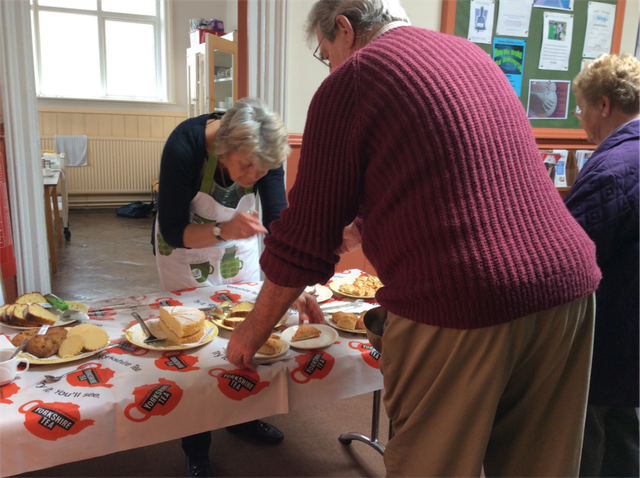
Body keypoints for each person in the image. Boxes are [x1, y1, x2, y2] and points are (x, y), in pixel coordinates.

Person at [226, 1, 602, 477]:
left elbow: (301, 238)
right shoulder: (470, 55)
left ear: (344, 28)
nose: (331, 66)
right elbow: (447, 184)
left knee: (432, 463)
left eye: (325, 54)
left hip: (466, 300)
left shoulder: (356, 78)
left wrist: (251, 333)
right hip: (567, 286)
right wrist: (354, 232)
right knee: (540, 466)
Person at [155, 97, 322, 478]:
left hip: (237, 251)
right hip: (186, 251)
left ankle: (243, 417)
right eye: (247, 166)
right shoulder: (184, 146)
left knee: (250, 333)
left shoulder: (265, 155)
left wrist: (291, 285)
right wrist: (220, 229)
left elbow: (279, 221)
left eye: (264, 170)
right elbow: (172, 228)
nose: (254, 176)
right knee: (195, 350)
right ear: (224, 148)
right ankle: (196, 446)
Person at [564, 53, 640, 478]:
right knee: (626, 439)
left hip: (608, 338)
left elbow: (569, 258)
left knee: (586, 444)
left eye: (582, 107)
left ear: (605, 104)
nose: (580, 118)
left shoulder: (610, 170)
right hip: (633, 338)